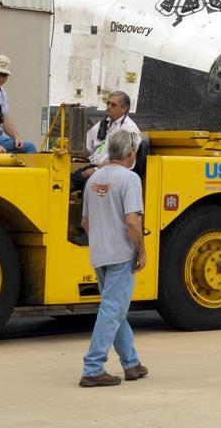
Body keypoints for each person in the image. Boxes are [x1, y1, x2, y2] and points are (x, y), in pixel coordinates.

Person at [79, 129, 148, 387]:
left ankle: (131, 363)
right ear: (131, 153)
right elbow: (132, 222)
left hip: (99, 254)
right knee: (111, 309)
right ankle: (93, 367)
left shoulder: (93, 179)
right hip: (121, 254)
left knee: (114, 308)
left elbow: (85, 222)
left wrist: (101, 240)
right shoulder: (129, 179)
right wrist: (140, 250)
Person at [72, 92, 141, 191]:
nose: (108, 107)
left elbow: (121, 158)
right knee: (66, 181)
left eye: (113, 105)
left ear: (124, 109)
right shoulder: (103, 123)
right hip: (96, 167)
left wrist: (96, 170)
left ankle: (86, 206)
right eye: (108, 103)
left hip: (114, 170)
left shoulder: (128, 128)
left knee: (88, 184)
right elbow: (86, 147)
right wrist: (73, 152)